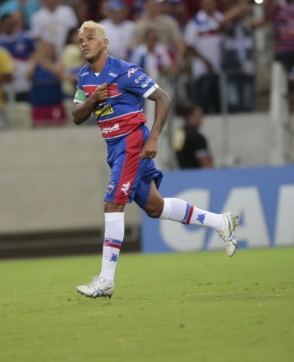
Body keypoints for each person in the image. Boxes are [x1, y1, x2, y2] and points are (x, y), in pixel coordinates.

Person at [72, 21, 238, 299]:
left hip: (132, 142)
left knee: (113, 204)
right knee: (154, 206)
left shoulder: (125, 71)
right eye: (81, 41)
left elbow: (163, 98)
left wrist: (154, 137)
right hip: (115, 148)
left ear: (104, 42)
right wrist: (93, 101)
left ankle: (106, 280)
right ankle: (221, 223)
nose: (85, 43)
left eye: (90, 38)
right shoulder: (84, 77)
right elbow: (77, 115)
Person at [172, 103, 212, 169]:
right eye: (198, 115)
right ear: (189, 117)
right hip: (197, 175)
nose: (201, 118)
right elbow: (205, 162)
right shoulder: (198, 138)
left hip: (183, 174)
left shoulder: (177, 134)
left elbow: (177, 156)